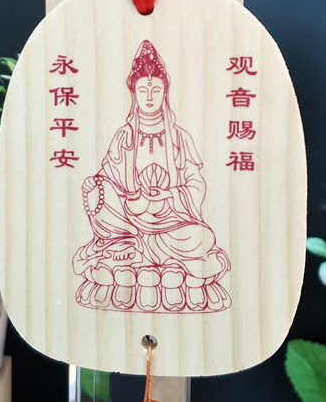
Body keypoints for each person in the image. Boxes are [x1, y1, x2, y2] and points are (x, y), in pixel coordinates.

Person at [74, 40, 230, 312]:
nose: (148, 97)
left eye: (155, 90)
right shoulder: (124, 137)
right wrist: (103, 189)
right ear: (133, 92)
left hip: (172, 225)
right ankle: (155, 262)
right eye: (143, 90)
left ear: (164, 92)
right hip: (129, 223)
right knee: (98, 193)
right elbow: (107, 180)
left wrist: (169, 195)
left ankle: (133, 262)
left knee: (201, 237)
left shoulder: (179, 138)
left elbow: (196, 183)